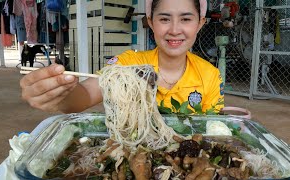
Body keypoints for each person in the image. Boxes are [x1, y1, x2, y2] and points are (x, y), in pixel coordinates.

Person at [20, 0, 224, 114]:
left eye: (186, 19)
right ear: (151, 22)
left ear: (200, 23)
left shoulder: (209, 75)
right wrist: (59, 96)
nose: (174, 30)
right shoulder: (128, 63)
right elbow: (85, 95)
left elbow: (212, 130)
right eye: (164, 19)